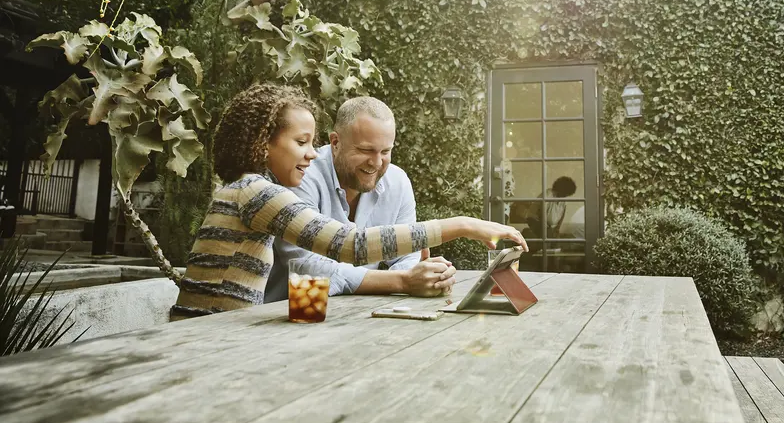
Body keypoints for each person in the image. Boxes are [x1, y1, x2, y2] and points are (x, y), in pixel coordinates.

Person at [169, 83, 526, 320]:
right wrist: (462, 225)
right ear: (264, 144)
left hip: (237, 329)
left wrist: (419, 277)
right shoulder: (257, 193)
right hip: (205, 338)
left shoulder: (254, 190)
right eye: (301, 142)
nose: (311, 155)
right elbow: (348, 245)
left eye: (312, 144)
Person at [267, 96, 446, 301]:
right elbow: (306, 265)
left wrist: (425, 277)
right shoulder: (301, 175)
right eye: (366, 150)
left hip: (359, 313)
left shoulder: (398, 181)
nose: (376, 163)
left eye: (385, 151)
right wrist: (402, 281)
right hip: (284, 318)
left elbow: (407, 256)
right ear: (335, 142)